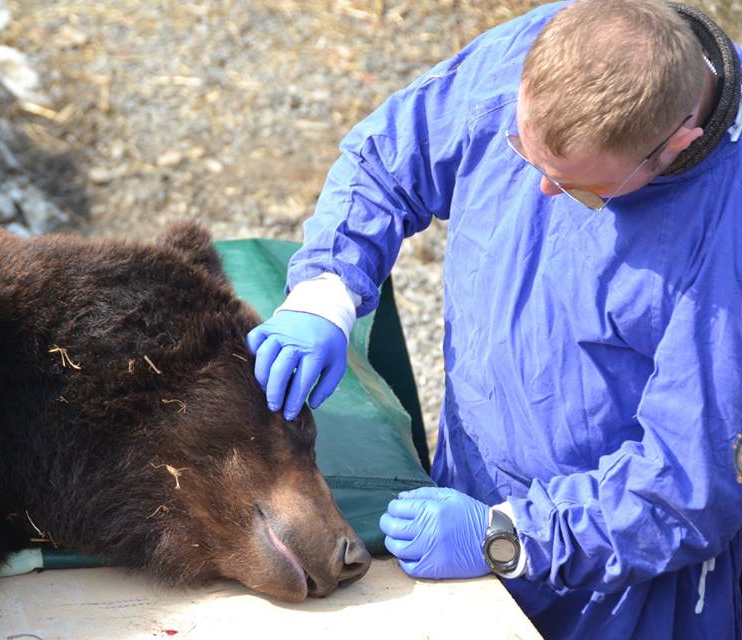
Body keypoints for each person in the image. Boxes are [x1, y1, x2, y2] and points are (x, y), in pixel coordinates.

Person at [245, 1, 742, 638]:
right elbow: (389, 159)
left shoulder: (724, 234)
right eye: (523, 153)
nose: (540, 193)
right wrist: (324, 294)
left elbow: (689, 485)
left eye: (578, 189)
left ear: (676, 145)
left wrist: (508, 537)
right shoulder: (547, 48)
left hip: (622, 582)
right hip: (469, 492)